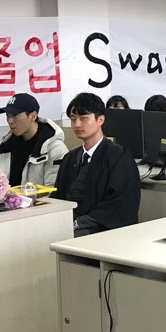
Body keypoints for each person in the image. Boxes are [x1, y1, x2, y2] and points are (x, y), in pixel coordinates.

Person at [54, 92, 141, 237]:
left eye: (83, 118)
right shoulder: (70, 158)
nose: (77, 124)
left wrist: (77, 223)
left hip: (103, 230)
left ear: (100, 119)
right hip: (69, 224)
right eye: (73, 119)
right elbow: (59, 197)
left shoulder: (119, 157)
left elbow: (119, 205)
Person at [0, 93, 67, 187]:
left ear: (33, 116)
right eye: (8, 115)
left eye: (15, 115)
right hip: (11, 197)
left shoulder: (54, 148)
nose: (10, 121)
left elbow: (54, 190)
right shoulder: (6, 146)